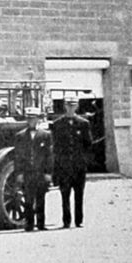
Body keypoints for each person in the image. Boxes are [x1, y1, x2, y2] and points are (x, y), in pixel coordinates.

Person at [50, 96, 91, 228]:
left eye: (73, 105)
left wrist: (84, 161)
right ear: (65, 106)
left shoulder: (84, 124)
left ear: (77, 107)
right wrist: (57, 166)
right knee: (65, 194)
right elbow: (55, 147)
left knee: (79, 194)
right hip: (64, 166)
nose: (70, 108)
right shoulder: (57, 124)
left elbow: (88, 144)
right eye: (68, 105)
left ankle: (79, 220)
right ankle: (66, 221)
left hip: (79, 166)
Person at [12, 108, 53, 231]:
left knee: (41, 198)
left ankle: (41, 224)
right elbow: (17, 157)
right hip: (27, 172)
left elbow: (49, 155)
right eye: (29, 118)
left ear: (38, 119)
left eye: (34, 118)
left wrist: (48, 172)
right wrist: (19, 173)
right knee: (28, 199)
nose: (31, 121)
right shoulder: (20, 136)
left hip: (40, 172)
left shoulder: (45, 135)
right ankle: (29, 224)